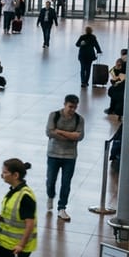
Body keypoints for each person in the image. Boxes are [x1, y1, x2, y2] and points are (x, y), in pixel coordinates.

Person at [0, 158, 37, 257]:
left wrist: (21, 245)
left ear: (16, 175)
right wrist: (1, 218)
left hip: (16, 247)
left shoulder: (25, 196)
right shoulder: (14, 191)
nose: (2, 175)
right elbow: (16, 214)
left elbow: (30, 224)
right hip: (7, 243)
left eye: (5, 172)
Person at [44, 94, 84, 222]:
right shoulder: (54, 115)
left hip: (70, 156)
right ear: (64, 104)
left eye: (75, 107)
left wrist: (60, 132)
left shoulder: (79, 119)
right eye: (70, 107)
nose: (72, 110)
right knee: (51, 180)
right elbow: (49, 132)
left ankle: (62, 207)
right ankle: (50, 196)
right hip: (53, 154)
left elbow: (79, 136)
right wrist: (70, 135)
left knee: (66, 183)